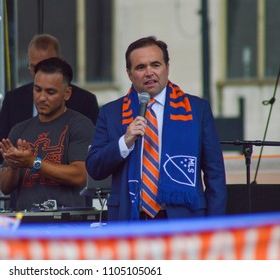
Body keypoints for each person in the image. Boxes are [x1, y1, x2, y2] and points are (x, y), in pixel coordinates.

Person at [86, 36, 226, 221]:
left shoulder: (197, 109)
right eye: (140, 67)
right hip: (131, 219)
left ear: (167, 67)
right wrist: (124, 142)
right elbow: (95, 168)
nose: (149, 72)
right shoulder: (111, 113)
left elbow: (214, 173)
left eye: (156, 65)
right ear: (129, 73)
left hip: (184, 219)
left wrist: (215, 228)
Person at [0, 57, 94, 211]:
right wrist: (14, 165)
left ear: (67, 93)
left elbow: (79, 175)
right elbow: (4, 187)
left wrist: (33, 162)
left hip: (66, 225)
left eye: (50, 92)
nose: (42, 97)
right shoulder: (19, 129)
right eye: (37, 89)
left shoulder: (80, 125)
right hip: (26, 224)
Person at [0, 33, 99, 164]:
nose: (40, 72)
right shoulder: (13, 99)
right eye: (34, 67)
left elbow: (93, 151)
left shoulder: (85, 101)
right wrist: (17, 157)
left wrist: (36, 162)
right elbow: (0, 146)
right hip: (22, 178)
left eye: (47, 66)